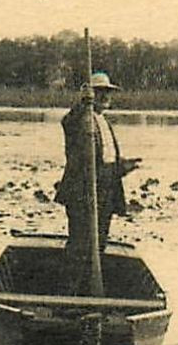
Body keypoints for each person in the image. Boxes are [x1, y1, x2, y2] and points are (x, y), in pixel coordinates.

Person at [56, 71, 138, 278]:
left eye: (108, 93)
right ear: (91, 95)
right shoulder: (82, 119)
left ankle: (88, 288)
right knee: (80, 246)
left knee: (99, 244)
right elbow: (68, 123)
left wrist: (122, 167)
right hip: (83, 194)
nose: (105, 97)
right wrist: (83, 104)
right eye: (100, 92)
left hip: (105, 194)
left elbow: (104, 160)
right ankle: (71, 293)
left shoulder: (103, 122)